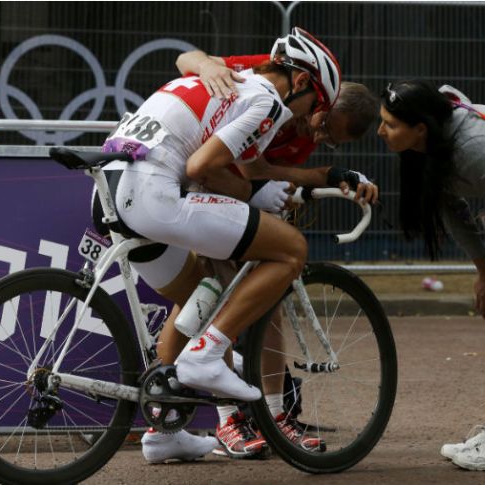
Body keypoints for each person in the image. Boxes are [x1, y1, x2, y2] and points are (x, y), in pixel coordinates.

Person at [95, 27, 345, 464]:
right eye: (316, 105)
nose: (309, 117)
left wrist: (313, 179)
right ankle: (207, 356)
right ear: (302, 82)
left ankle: (164, 429)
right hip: (153, 193)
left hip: (112, 190)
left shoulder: (236, 83)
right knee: (290, 249)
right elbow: (202, 168)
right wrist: (256, 195)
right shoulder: (267, 100)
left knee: (204, 294)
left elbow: (253, 170)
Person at [139, 49, 382, 462]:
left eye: (331, 142)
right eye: (324, 126)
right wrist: (209, 65)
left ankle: (269, 414)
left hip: (229, 191)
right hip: (203, 187)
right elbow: (186, 61)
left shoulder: (305, 117)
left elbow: (266, 170)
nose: (318, 138)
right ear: (319, 97)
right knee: (217, 298)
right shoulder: (273, 75)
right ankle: (227, 418)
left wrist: (321, 179)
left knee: (261, 303)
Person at [377, 80, 485, 471]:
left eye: (390, 124)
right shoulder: (430, 144)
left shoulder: (473, 151)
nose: (380, 131)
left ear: (419, 128)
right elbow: (452, 210)